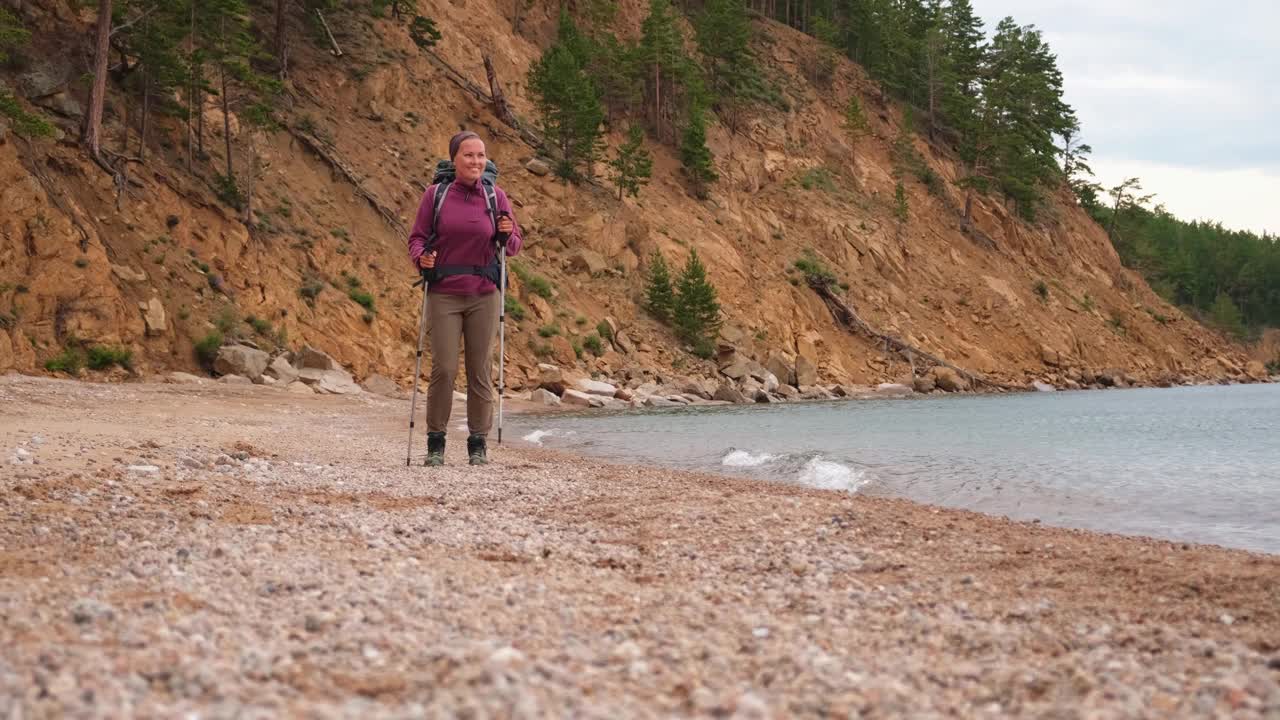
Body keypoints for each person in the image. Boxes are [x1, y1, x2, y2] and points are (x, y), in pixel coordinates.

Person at [407, 131, 522, 466]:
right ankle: (435, 443)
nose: (476, 161)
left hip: (484, 294)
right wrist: (422, 258)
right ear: (454, 159)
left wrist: (506, 233)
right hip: (444, 292)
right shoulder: (435, 195)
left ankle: (477, 444)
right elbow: (416, 238)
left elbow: (513, 245)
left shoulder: (495, 196)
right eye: (469, 155)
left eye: (481, 155)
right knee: (443, 368)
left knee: (480, 370)